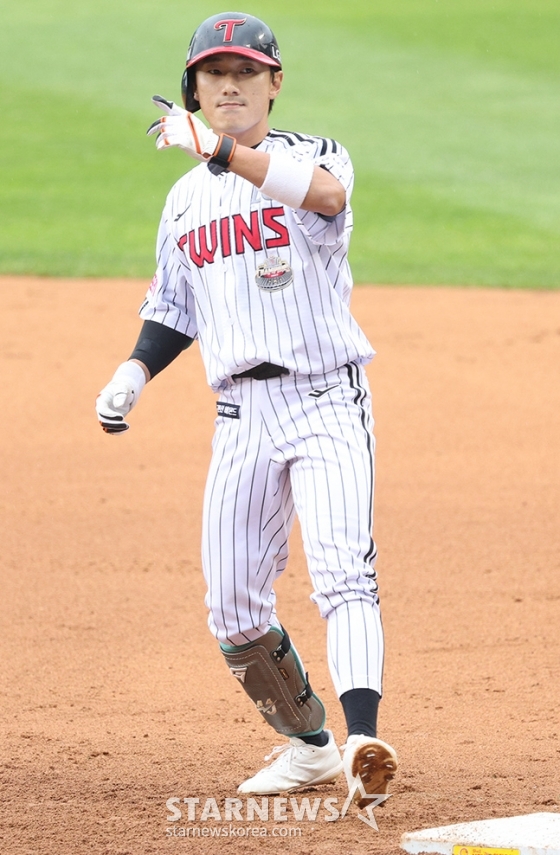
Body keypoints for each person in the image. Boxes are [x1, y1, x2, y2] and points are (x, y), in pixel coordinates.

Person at [96, 11, 397, 805]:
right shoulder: (186, 201)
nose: (228, 84)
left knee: (344, 575)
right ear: (194, 86)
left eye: (245, 72)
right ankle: (310, 746)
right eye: (212, 74)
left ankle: (365, 740)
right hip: (240, 417)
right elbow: (174, 305)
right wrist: (134, 369)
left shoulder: (315, 156)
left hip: (327, 398)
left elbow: (326, 197)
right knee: (231, 609)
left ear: (274, 82)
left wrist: (222, 149)